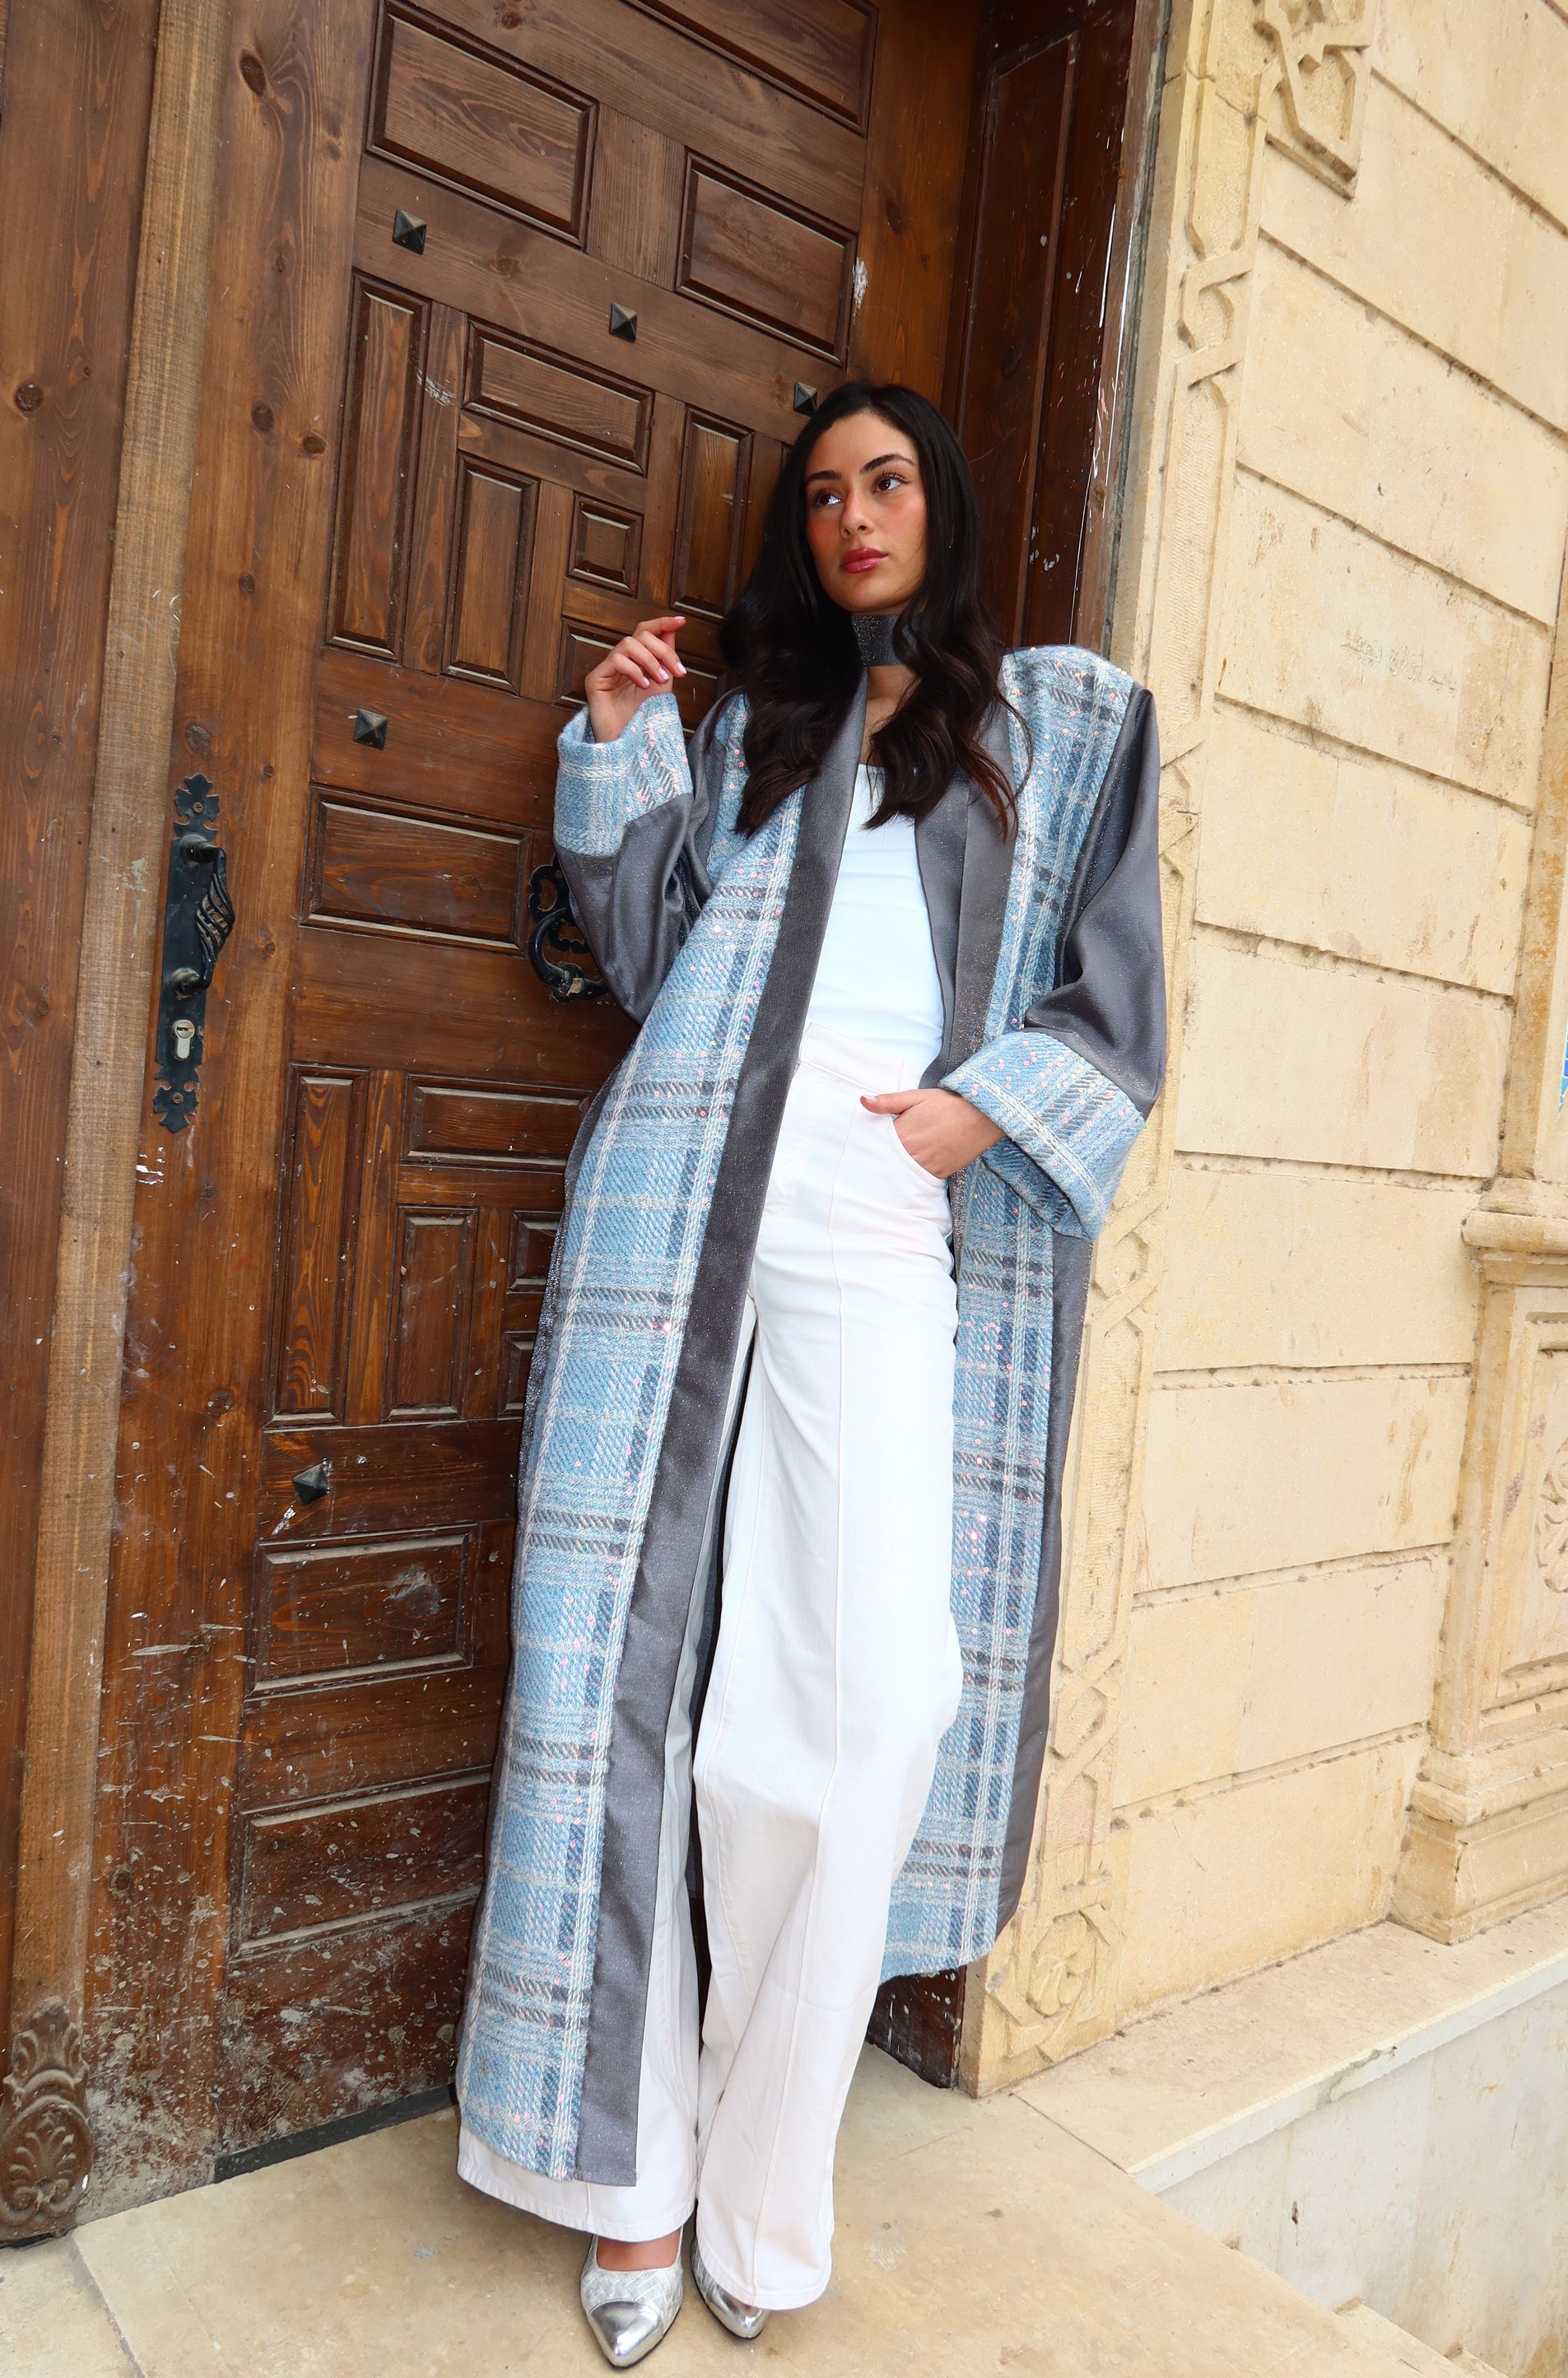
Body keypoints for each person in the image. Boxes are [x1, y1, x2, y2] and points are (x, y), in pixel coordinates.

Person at [454, 380, 1165, 2366]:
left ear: (942, 504)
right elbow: (643, 954)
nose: (856, 514)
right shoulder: (743, 724)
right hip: (678, 1180)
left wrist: (969, 1114)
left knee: (864, 1697)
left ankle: (764, 2178)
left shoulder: (1046, 725)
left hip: (873, 1196)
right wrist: (614, 749)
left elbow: (1114, 996)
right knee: (620, 1677)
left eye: (889, 481)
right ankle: (634, 2182)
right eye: (827, 492)